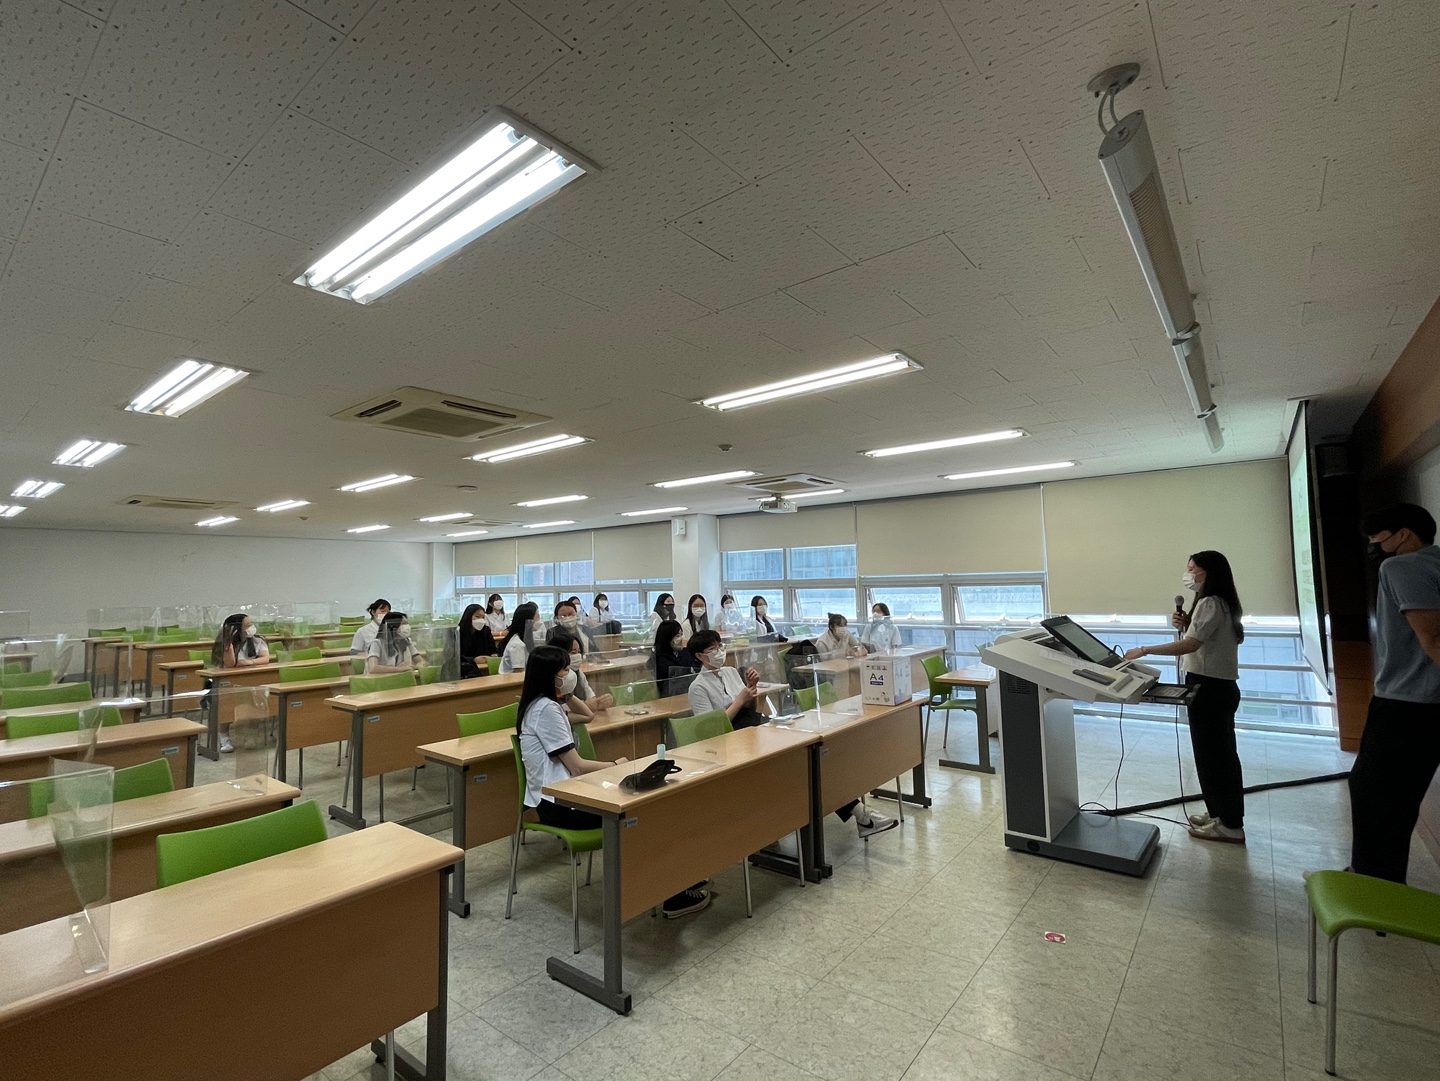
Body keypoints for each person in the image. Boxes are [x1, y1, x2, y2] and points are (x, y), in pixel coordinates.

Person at [517, 645, 709, 918]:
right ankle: (671, 894)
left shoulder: (546, 704)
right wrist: (616, 765)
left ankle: (676, 879)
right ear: (549, 676)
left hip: (565, 795)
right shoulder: (545, 710)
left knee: (649, 807)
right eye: (564, 670)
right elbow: (577, 767)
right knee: (645, 814)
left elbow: (586, 716)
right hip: (560, 804)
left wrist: (567, 691)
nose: (570, 673)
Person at [688, 630, 898, 839]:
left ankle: (861, 815)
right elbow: (712, 730)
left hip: (756, 728)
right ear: (699, 656)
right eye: (712, 649)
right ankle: (862, 816)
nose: (719, 651)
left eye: (720, 646)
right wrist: (740, 699)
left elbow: (750, 708)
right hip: (733, 742)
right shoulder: (697, 687)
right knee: (801, 768)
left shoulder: (730, 672)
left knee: (810, 761)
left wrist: (751, 689)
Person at [1123, 550, 1246, 843]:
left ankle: (1230, 824)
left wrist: (1145, 650)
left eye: (1193, 569)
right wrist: (1187, 623)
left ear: (1209, 572)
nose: (1188, 574)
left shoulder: (1211, 602)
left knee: (1216, 759)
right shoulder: (1221, 602)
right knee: (1213, 756)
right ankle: (1219, 814)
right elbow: (1202, 638)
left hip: (1210, 688)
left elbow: (1191, 645)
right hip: (1217, 687)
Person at [1347, 504, 1440, 883]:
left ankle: (1374, 886)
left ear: (1404, 534)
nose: (1374, 545)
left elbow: (1433, 639)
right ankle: (1377, 879)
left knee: (1375, 797)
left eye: (1377, 537)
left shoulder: (1402, 566)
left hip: (1407, 704)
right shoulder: (1435, 563)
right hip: (1424, 704)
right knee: (1397, 799)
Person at [211, 612, 269, 754]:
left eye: (250, 624)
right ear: (236, 629)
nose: (251, 627)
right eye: (247, 625)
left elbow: (265, 658)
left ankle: (251, 734)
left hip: (251, 680)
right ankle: (224, 737)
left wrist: (250, 662)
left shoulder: (257, 640)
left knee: (258, 697)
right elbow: (230, 664)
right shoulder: (225, 643)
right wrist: (229, 645)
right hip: (227, 682)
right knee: (226, 702)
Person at [547, 628, 615, 716]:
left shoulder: (579, 674)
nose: (578, 656)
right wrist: (584, 706)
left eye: (579, 652)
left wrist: (599, 703)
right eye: (573, 652)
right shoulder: (554, 678)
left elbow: (591, 698)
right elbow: (554, 710)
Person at [652, 618, 697, 697]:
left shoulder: (681, 653)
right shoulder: (660, 659)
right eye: (677, 636)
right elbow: (679, 671)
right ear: (667, 639)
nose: (682, 638)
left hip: (686, 692)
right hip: (670, 695)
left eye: (681, 634)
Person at [457, 603, 498, 679]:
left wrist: (493, 655)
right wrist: (473, 660)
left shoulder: (486, 631)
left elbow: (493, 650)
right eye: (477, 617)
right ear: (468, 617)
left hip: (485, 666)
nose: (480, 620)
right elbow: (455, 656)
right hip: (466, 670)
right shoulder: (458, 633)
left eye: (483, 617)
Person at [500, 602, 542, 673]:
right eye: (537, 617)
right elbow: (519, 672)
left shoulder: (527, 639)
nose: (539, 620)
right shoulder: (517, 644)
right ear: (528, 621)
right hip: (512, 678)